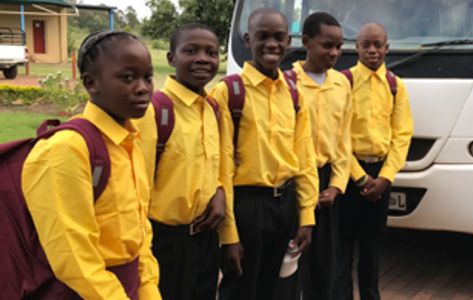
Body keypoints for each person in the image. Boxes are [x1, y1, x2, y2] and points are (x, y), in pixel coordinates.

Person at [21, 31, 160, 299]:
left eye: (147, 77)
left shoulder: (129, 143)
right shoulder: (67, 149)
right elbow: (73, 256)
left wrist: (149, 290)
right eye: (127, 78)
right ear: (91, 83)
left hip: (127, 287)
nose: (143, 87)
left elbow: (140, 234)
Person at [211, 7, 319, 300]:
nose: (272, 43)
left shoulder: (294, 93)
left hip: (284, 205)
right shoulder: (229, 92)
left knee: (280, 288)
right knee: (241, 289)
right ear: (248, 39)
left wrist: (306, 216)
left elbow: (305, 159)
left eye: (279, 37)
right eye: (263, 36)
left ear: (289, 42)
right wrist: (229, 235)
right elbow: (221, 168)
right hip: (246, 206)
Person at [134, 24, 231, 300]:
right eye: (191, 51)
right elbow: (135, 187)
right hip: (164, 243)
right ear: (171, 58)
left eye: (211, 52)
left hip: (204, 239)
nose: (202, 58)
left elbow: (214, 164)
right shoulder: (155, 111)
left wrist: (220, 191)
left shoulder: (211, 108)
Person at [334, 23, 414, 300]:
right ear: (356, 48)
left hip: (380, 175)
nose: (372, 50)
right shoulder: (343, 82)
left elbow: (402, 134)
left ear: (386, 48)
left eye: (377, 44)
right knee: (342, 245)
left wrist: (386, 177)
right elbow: (338, 134)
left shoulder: (395, 86)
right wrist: (359, 177)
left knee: (372, 245)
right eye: (366, 44)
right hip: (348, 172)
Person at [291, 12, 352, 300]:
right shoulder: (288, 83)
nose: (335, 53)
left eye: (339, 46)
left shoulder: (341, 84)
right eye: (327, 45)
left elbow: (343, 141)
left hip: (326, 181)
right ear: (306, 42)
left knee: (324, 264)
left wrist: (336, 186)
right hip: (293, 182)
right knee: (290, 263)